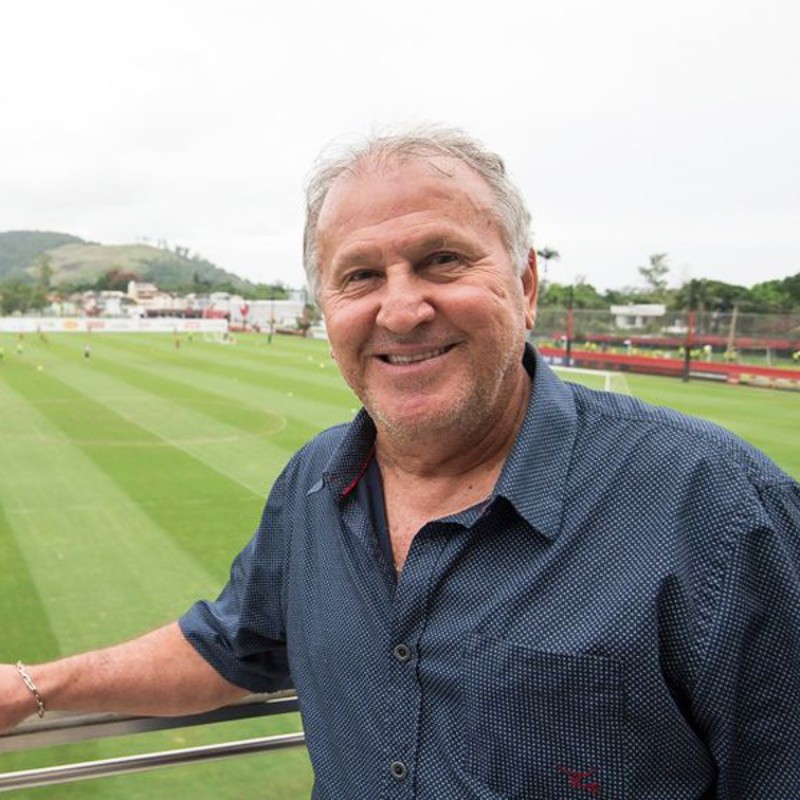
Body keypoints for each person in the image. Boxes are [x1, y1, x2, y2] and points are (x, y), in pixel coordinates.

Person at [2, 127, 799, 799]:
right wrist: (37, 687)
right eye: (360, 276)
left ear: (524, 286)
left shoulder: (720, 510)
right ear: (326, 313)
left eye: (443, 260)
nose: (402, 307)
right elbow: (230, 648)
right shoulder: (315, 484)